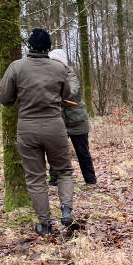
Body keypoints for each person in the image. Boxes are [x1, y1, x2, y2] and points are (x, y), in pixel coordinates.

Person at [0, 28, 76, 235]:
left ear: (29, 46)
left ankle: (45, 224)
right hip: (54, 126)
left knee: (36, 177)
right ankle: (66, 211)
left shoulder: (16, 67)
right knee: (64, 171)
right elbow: (67, 94)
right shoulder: (59, 68)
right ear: (48, 48)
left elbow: (5, 98)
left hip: (27, 127)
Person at [47, 49, 97, 186]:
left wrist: (55, 94)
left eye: (56, 62)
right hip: (58, 121)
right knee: (55, 152)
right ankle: (54, 181)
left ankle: (91, 180)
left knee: (82, 152)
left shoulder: (70, 74)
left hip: (77, 121)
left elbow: (72, 91)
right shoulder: (47, 75)